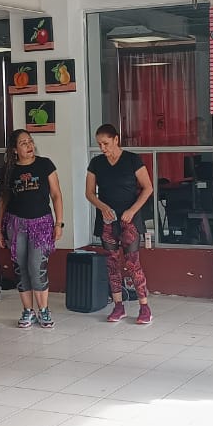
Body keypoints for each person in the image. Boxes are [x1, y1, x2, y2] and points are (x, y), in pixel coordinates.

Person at [86, 124, 154, 324]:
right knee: (111, 263)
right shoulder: (96, 163)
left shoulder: (132, 160)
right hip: (107, 221)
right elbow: (89, 193)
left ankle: (144, 306)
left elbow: (148, 188)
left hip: (129, 220)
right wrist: (102, 206)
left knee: (132, 263)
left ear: (116, 139)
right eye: (99, 144)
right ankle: (118, 306)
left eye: (106, 143)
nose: (102, 148)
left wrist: (132, 210)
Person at [0, 129, 63, 329]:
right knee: (20, 268)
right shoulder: (8, 170)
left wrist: (59, 223)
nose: (29, 146)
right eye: (23, 143)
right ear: (14, 149)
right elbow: (3, 200)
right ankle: (28, 311)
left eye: (30, 141)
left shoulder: (45, 164)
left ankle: (44, 310)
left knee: (36, 266)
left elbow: (56, 195)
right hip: (16, 224)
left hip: (41, 223)